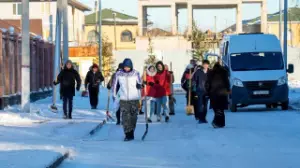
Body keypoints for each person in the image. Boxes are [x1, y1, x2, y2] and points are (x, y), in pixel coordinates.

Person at [113, 58, 142, 141]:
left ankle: (131, 132)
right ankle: (127, 134)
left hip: (134, 98)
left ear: (131, 67)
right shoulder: (119, 74)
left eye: (128, 67)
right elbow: (115, 84)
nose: (126, 68)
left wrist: (140, 86)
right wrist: (115, 95)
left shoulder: (136, 73)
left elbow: (139, 83)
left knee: (133, 117)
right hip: (123, 98)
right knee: (125, 117)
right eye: (125, 67)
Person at [205, 62, 230, 128]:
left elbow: (207, 84)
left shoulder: (211, 73)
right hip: (222, 93)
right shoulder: (224, 73)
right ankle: (221, 123)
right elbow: (227, 82)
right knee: (221, 109)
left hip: (214, 93)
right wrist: (228, 90)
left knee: (216, 109)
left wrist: (207, 92)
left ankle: (217, 122)